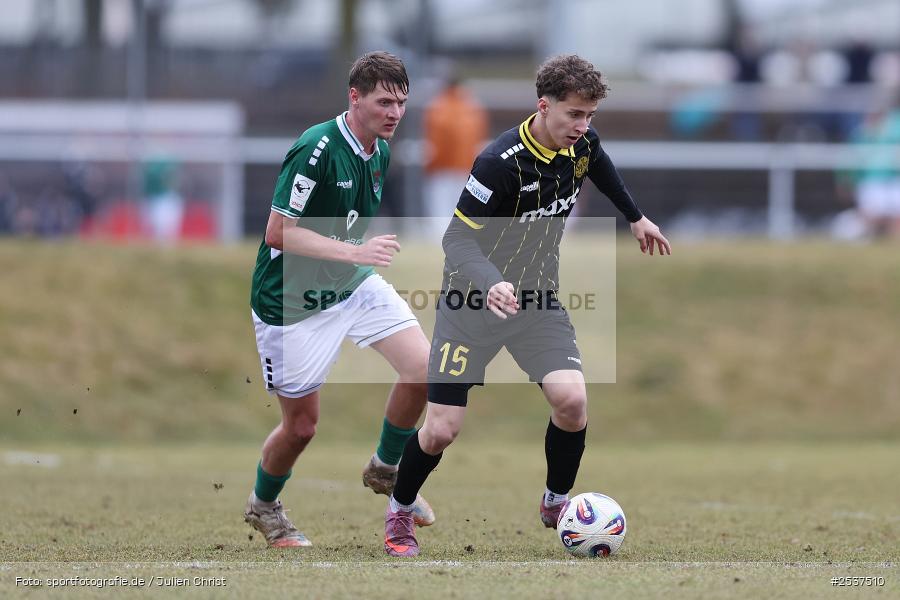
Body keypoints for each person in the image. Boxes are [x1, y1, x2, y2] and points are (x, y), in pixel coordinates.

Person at [383, 55, 671, 557]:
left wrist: (635, 217)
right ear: (544, 106)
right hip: (470, 304)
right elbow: (456, 240)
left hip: (536, 301)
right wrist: (492, 282)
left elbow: (598, 165)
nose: (582, 127)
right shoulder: (499, 162)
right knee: (441, 429)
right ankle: (400, 513)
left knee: (572, 402)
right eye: (573, 115)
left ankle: (556, 502)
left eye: (590, 116)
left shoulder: (581, 145)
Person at [245, 51, 435, 548]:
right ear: (354, 96)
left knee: (425, 369)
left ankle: (386, 467)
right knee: (302, 427)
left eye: (401, 103)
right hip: (289, 301)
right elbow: (277, 232)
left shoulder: (381, 152)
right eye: (383, 101)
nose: (394, 113)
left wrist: (353, 258)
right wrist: (355, 250)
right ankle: (265, 506)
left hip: (349, 283)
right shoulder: (317, 147)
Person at [423, 73, 488, 237]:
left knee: (440, 207)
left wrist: (430, 166)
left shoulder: (437, 106)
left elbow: (433, 142)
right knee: (462, 206)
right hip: (467, 166)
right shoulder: (473, 107)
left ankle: (440, 239)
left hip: (441, 168)